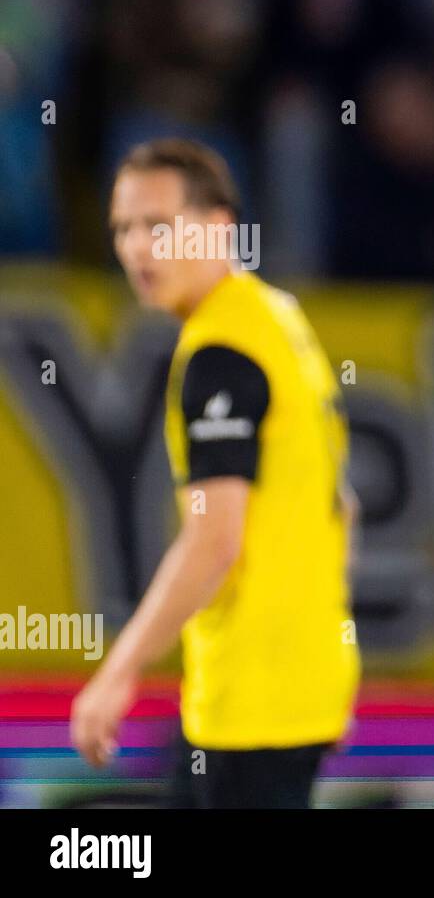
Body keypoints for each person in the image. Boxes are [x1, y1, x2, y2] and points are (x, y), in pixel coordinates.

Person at [70, 138, 361, 807]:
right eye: (122, 228)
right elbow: (340, 504)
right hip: (303, 685)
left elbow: (212, 542)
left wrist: (118, 671)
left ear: (220, 228)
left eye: (157, 226)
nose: (136, 249)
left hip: (248, 702)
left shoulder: (219, 354)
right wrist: (330, 662)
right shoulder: (278, 319)